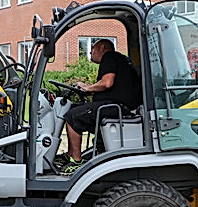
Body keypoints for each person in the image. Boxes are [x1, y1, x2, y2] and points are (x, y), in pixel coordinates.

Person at [60, 39, 140, 172]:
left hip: (114, 107)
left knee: (72, 116)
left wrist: (88, 88)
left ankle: (76, 162)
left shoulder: (109, 56)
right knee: (75, 109)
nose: (90, 52)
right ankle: (69, 155)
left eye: (93, 48)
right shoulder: (121, 60)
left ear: (102, 47)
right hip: (119, 106)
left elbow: (107, 82)